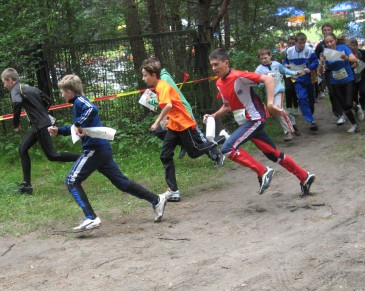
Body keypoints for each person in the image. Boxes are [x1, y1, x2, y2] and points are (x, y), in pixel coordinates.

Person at [49, 74, 167, 231]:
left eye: (62, 92)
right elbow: (78, 128)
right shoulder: (77, 103)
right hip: (101, 150)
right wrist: (59, 131)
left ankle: (90, 217)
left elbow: (92, 109)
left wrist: (78, 123)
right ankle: (156, 199)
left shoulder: (79, 101)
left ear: (70, 92)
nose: (62, 95)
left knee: (71, 180)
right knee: (122, 183)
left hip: (94, 150)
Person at [207, 48, 315, 197]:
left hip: (255, 120)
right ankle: (305, 177)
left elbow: (268, 79)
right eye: (211, 65)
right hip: (247, 123)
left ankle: (263, 171)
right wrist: (212, 116)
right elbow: (227, 106)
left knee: (227, 148)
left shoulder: (239, 76)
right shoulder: (219, 83)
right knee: (273, 154)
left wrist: (270, 103)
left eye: (216, 64)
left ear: (226, 63)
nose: (213, 68)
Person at [143, 56, 225, 201]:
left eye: (145, 75)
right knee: (165, 155)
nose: (144, 79)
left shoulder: (162, 86)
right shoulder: (159, 86)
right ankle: (173, 191)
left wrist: (157, 122)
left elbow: (168, 105)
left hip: (183, 124)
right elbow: (168, 105)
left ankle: (220, 139)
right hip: (174, 126)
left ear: (153, 75)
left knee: (194, 152)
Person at [1, 68, 79, 194]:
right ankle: (27, 185)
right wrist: (42, 112)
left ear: (10, 80)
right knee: (23, 149)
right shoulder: (29, 88)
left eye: (4, 82)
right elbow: (48, 100)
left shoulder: (16, 89)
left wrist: (16, 123)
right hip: (38, 124)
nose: (4, 85)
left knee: (52, 155)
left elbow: (17, 103)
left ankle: (84, 159)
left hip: (40, 125)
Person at [255, 47, 301, 141]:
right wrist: (264, 82)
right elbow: (258, 84)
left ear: (270, 56)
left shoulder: (276, 65)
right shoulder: (259, 70)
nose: (264, 60)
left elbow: (284, 71)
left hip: (278, 90)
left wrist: (295, 72)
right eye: (261, 59)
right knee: (276, 112)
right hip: (270, 93)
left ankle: (288, 131)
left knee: (277, 108)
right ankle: (292, 121)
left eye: (265, 58)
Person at [319, 34, 359, 133]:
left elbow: (355, 60)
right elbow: (320, 71)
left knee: (348, 103)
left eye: (331, 41)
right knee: (344, 105)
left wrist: (346, 58)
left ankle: (356, 106)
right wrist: (322, 62)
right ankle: (354, 124)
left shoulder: (343, 48)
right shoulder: (325, 52)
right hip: (335, 81)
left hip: (347, 79)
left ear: (335, 40)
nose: (329, 44)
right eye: (327, 42)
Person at [285, 32, 319, 131]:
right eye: (300, 43)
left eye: (303, 43)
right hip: (297, 79)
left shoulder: (309, 50)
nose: (302, 45)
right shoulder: (290, 51)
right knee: (302, 98)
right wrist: (286, 66)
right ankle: (311, 120)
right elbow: (285, 62)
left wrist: (310, 68)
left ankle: (310, 114)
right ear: (295, 42)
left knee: (311, 99)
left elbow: (315, 61)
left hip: (309, 78)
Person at [315, 23, 345, 125]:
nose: (327, 32)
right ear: (322, 32)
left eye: (329, 30)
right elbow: (316, 57)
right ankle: (339, 114)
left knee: (344, 92)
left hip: (343, 70)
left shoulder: (340, 43)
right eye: (325, 30)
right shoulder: (320, 45)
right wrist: (320, 64)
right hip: (329, 71)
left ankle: (352, 106)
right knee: (332, 93)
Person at [348, 38, 365, 119]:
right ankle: (358, 111)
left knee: (363, 91)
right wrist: (351, 67)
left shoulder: (362, 53)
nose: (352, 47)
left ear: (357, 45)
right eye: (351, 46)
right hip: (351, 78)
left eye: (354, 45)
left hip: (362, 76)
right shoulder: (346, 55)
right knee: (354, 95)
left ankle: (362, 103)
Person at [280, 36, 300, 117]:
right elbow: (280, 62)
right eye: (290, 43)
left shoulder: (297, 51)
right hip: (287, 72)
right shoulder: (283, 52)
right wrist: (284, 65)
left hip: (295, 72)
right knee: (288, 89)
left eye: (293, 43)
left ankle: (296, 107)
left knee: (294, 89)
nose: (291, 44)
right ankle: (288, 107)